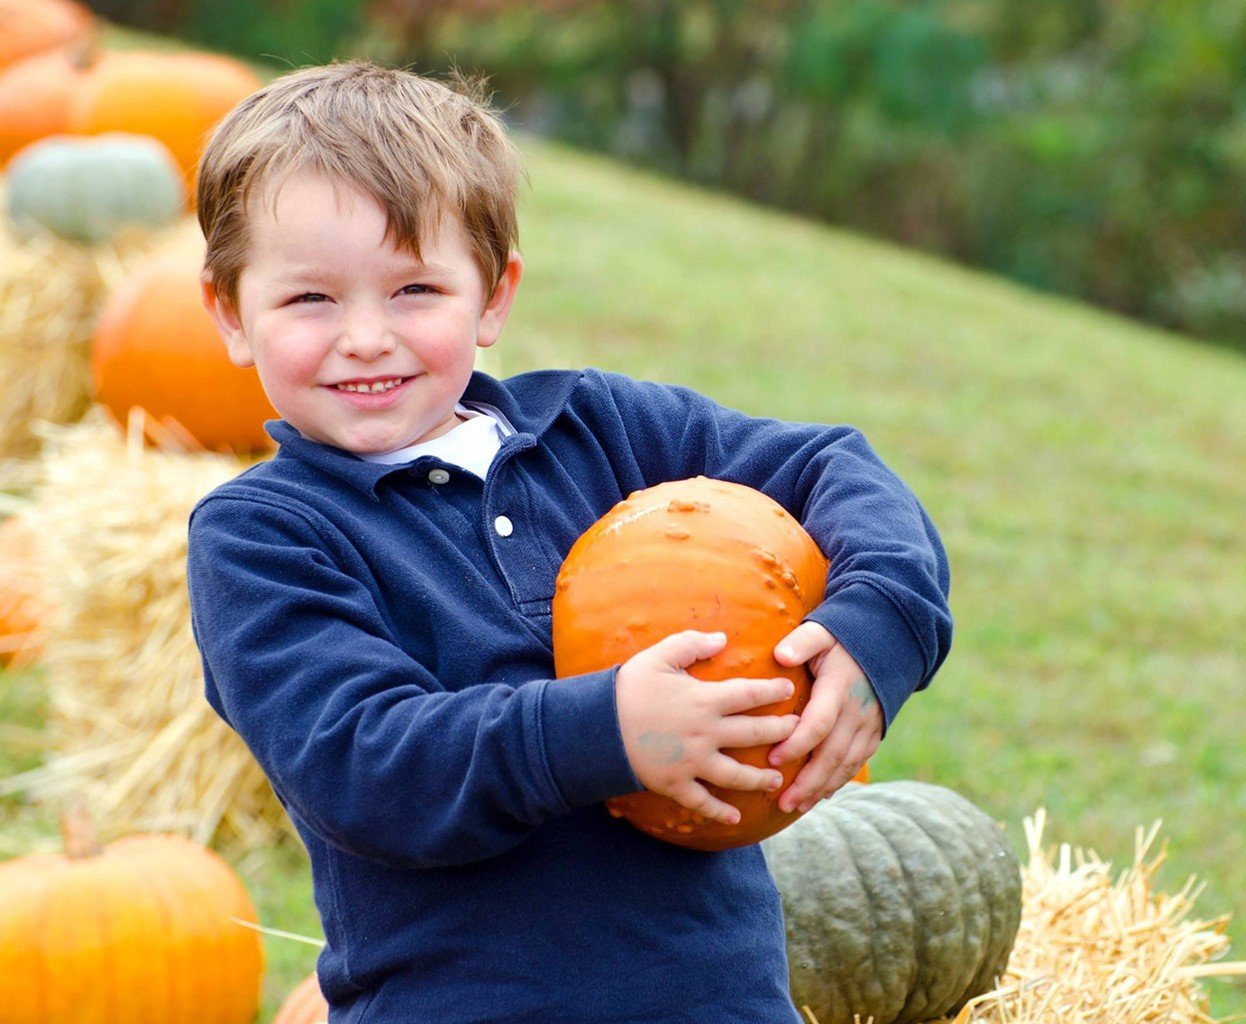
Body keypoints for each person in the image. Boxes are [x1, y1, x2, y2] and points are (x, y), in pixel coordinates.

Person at [187, 60, 952, 1024]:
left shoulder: (608, 432)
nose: (367, 337)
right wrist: (603, 734)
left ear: (493, 297)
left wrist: (878, 630)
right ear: (229, 314)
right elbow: (365, 766)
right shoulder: (264, 537)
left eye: (416, 288)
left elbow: (833, 468)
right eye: (311, 300)